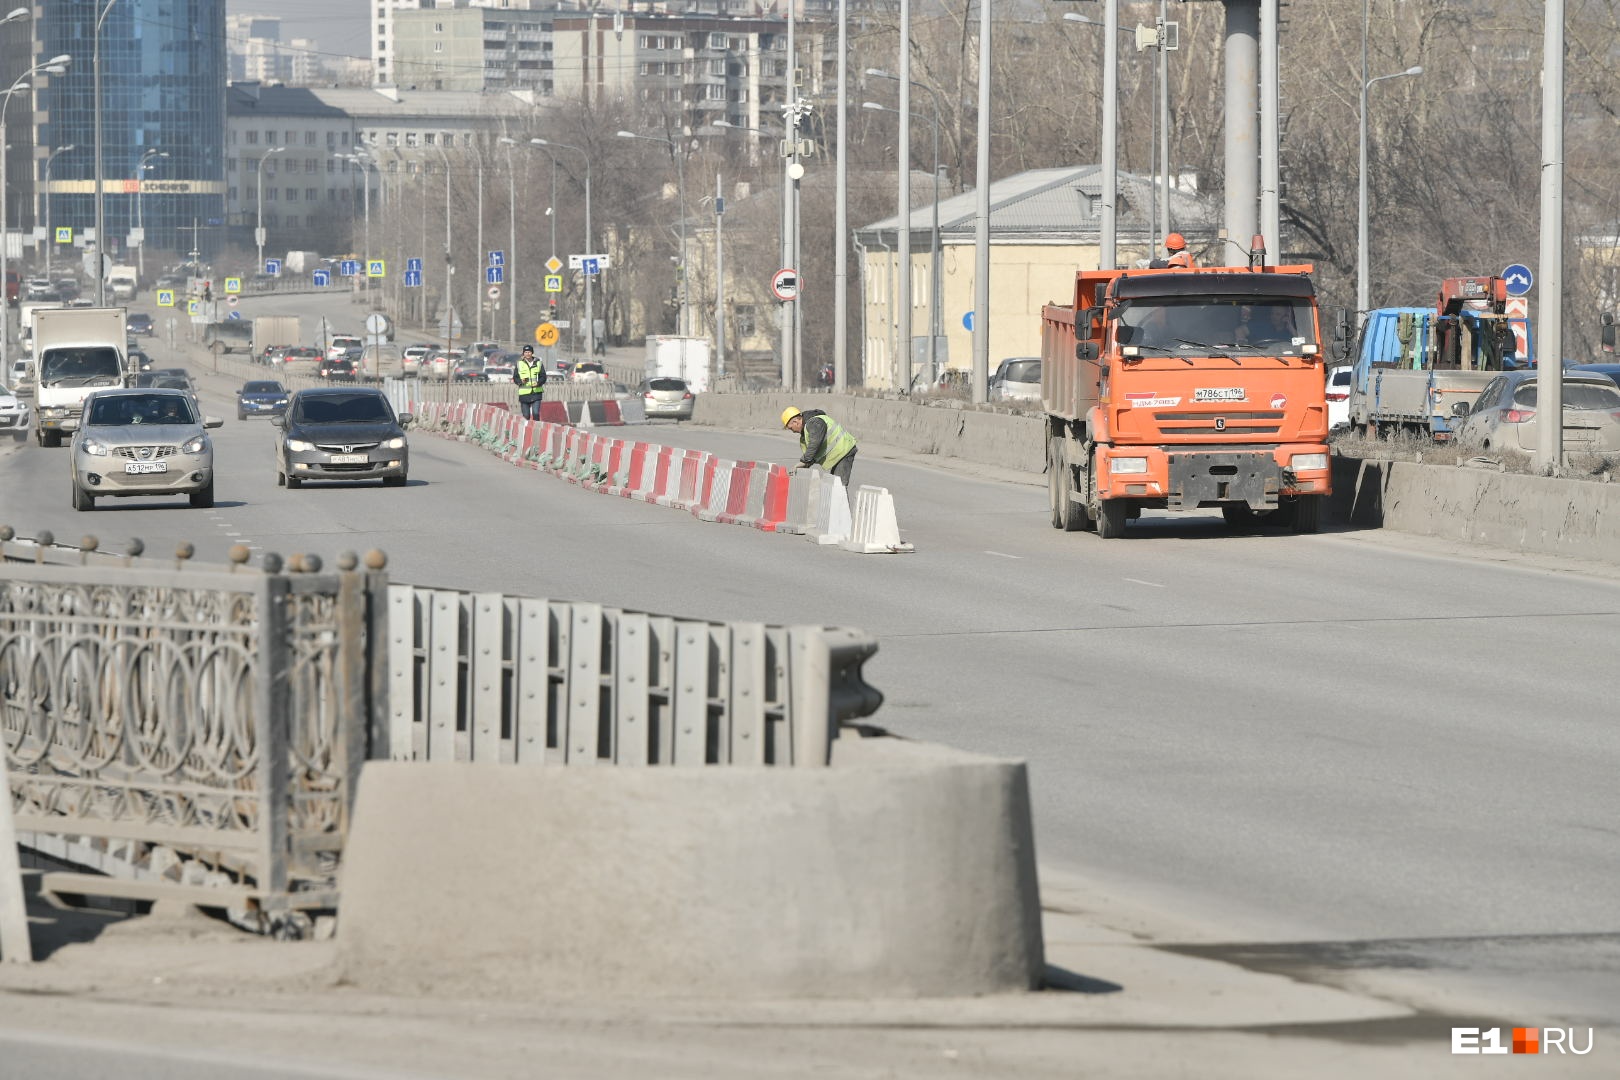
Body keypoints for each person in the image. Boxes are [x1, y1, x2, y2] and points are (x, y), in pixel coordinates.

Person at [781, 406, 858, 488]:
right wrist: (804, 465)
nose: (792, 431)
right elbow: (815, 452)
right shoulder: (808, 430)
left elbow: (814, 445)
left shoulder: (814, 423)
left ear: (796, 422)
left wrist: (804, 461)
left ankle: (841, 500)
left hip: (844, 450)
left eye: (791, 428)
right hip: (839, 452)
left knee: (838, 487)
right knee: (834, 486)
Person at [515, 345, 546, 420]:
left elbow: (543, 377)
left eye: (529, 352)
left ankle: (537, 429)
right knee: (526, 416)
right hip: (524, 393)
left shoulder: (538, 363)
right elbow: (515, 377)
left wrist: (538, 383)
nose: (527, 354)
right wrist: (520, 381)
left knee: (535, 413)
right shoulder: (519, 364)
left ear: (532, 353)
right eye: (525, 352)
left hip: (536, 393)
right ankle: (526, 431)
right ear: (523, 353)